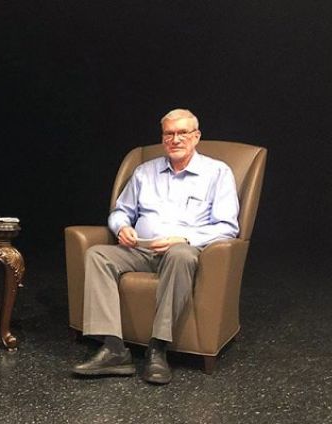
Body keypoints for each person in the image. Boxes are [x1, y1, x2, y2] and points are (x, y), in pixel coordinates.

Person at [72, 109, 239, 385]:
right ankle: (114, 349)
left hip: (182, 251)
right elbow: (120, 211)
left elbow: (227, 227)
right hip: (140, 249)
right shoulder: (144, 172)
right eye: (169, 134)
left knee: (181, 255)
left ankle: (158, 348)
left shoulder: (217, 173)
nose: (175, 139)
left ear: (196, 137)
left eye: (182, 133)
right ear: (163, 139)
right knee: (97, 255)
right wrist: (122, 227)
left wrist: (183, 238)